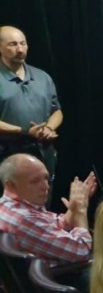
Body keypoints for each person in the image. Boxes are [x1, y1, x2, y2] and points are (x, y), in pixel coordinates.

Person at [0, 154, 96, 266]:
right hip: (63, 273)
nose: (46, 187)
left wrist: (74, 208)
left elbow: (54, 224)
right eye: (35, 181)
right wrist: (80, 211)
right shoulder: (25, 219)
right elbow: (81, 251)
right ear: (11, 185)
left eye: (46, 178)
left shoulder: (9, 206)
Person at [0, 26, 63, 182]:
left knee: (43, 194)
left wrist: (49, 128)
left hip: (43, 156)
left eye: (23, 43)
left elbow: (56, 111)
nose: (20, 49)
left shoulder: (42, 77)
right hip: (7, 156)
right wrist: (25, 131)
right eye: (13, 44)